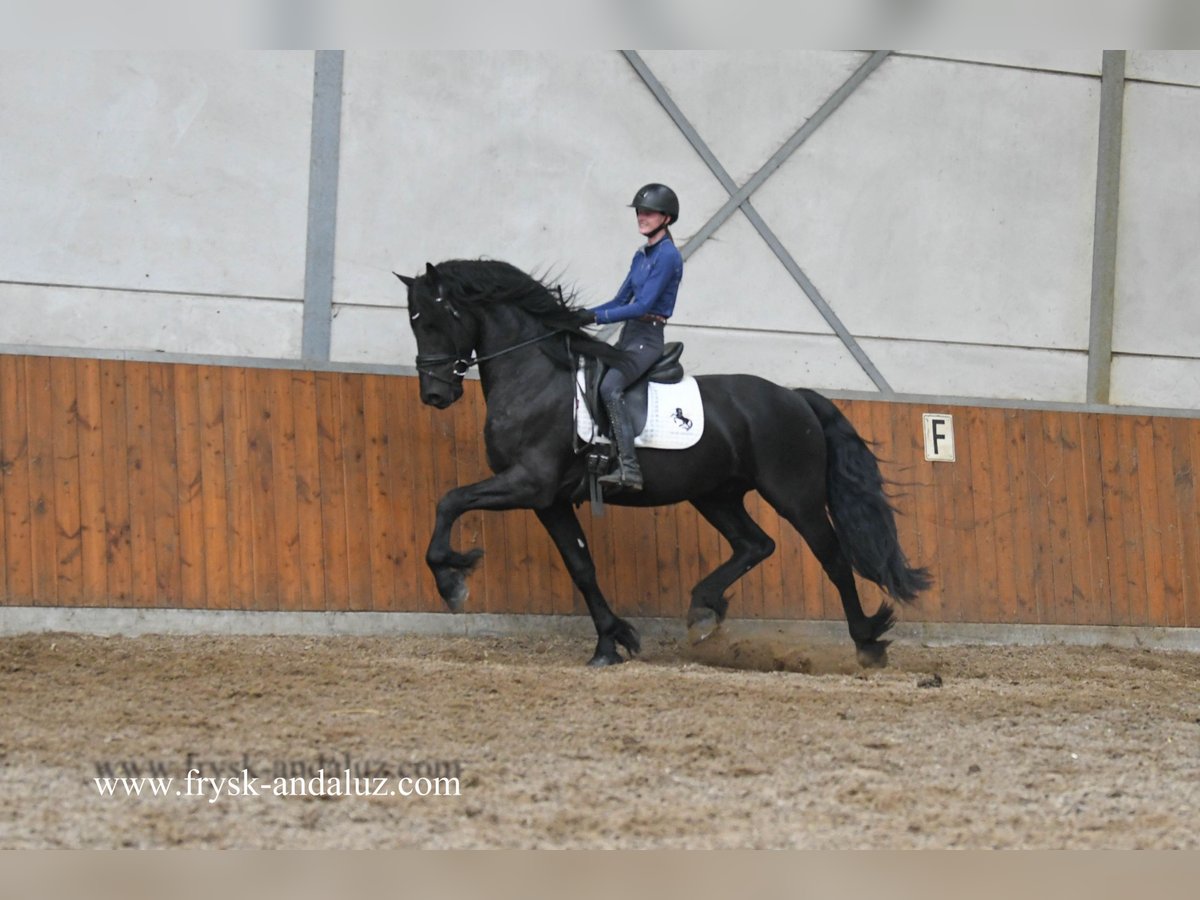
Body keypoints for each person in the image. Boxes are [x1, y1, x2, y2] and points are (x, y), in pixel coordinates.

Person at [579, 183, 683, 491]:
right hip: (629, 335)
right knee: (593, 374)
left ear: (666, 217)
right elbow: (618, 301)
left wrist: (598, 317)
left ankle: (630, 467)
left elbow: (643, 305)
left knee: (611, 387)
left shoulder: (667, 256)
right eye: (640, 211)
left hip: (647, 338)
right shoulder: (642, 255)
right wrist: (580, 314)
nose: (642, 216)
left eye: (649, 212)